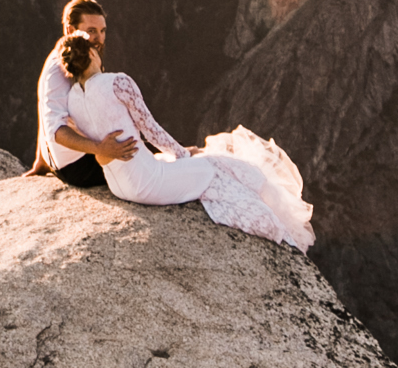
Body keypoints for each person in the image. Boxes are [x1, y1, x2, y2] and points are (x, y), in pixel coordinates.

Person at [50, 28, 315, 250]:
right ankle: (284, 237)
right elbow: (150, 129)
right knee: (215, 167)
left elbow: (86, 138)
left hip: (120, 185)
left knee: (206, 162)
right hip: (148, 181)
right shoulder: (117, 82)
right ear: (92, 54)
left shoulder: (72, 99)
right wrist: (182, 153)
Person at [30, 0, 128, 187]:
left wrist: (42, 161)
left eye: (102, 31)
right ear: (70, 30)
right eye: (91, 31)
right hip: (78, 167)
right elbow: (56, 130)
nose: (99, 39)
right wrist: (100, 148)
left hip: (77, 159)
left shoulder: (77, 55)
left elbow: (46, 110)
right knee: (155, 160)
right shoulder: (58, 70)